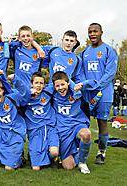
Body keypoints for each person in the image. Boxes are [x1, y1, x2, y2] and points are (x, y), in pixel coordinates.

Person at [1, 71, 59, 171]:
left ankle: (52, 159)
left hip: (50, 129)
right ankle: (29, 157)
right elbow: (10, 91)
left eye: (41, 83)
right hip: (35, 131)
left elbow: (61, 82)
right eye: (36, 83)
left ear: (44, 85)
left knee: (54, 152)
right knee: (36, 168)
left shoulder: (47, 92)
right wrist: (6, 77)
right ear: (31, 84)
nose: (39, 85)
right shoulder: (25, 97)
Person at [80, 23, 118, 164]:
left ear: (101, 32)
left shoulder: (109, 50)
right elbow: (81, 72)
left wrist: (96, 85)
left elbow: (110, 73)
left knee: (102, 121)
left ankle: (101, 152)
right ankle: (80, 151)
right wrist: (85, 84)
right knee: (83, 122)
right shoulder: (84, 52)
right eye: (90, 31)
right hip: (87, 94)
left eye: (95, 31)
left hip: (104, 93)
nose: (92, 34)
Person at [51, 71, 92, 174]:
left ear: (68, 83)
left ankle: (82, 162)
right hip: (63, 131)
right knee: (68, 167)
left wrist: (82, 84)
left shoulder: (77, 92)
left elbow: (94, 83)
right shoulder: (51, 95)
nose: (60, 88)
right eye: (57, 85)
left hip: (78, 124)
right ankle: (79, 150)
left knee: (86, 134)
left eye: (63, 84)